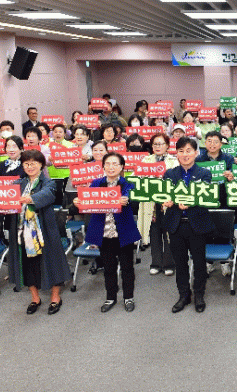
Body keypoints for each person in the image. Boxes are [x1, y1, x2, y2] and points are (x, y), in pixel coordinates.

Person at [4, 149, 72, 315]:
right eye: (26, 163)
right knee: (28, 265)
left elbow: (47, 195)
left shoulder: (48, 183)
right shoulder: (17, 184)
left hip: (44, 231)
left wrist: (31, 199)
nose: (30, 166)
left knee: (52, 263)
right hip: (21, 231)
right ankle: (35, 298)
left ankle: (55, 297)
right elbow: (4, 197)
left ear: (41, 164)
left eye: (33, 163)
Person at [80, 152, 141, 313]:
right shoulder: (96, 183)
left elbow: (135, 201)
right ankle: (111, 297)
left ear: (122, 167)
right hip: (104, 233)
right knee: (108, 267)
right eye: (108, 164)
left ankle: (128, 297)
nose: (111, 167)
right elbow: (87, 202)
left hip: (124, 232)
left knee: (127, 267)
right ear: (103, 166)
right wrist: (79, 201)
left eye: (115, 164)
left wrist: (127, 200)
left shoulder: (128, 184)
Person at [162, 137, 215, 313]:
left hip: (197, 224)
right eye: (181, 151)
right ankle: (184, 295)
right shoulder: (170, 174)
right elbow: (164, 194)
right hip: (176, 224)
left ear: (196, 153)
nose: (185, 154)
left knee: (199, 262)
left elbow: (205, 196)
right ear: (176, 154)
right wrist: (166, 201)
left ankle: (199, 295)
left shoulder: (204, 173)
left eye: (188, 151)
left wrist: (190, 202)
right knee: (180, 263)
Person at [136, 133, 179, 276]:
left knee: (168, 233)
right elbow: (138, 179)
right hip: (151, 203)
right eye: (155, 144)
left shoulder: (174, 161)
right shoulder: (146, 160)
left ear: (167, 146)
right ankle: (155, 263)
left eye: (161, 144)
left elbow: (177, 181)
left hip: (168, 202)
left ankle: (169, 264)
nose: (158, 146)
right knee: (154, 233)